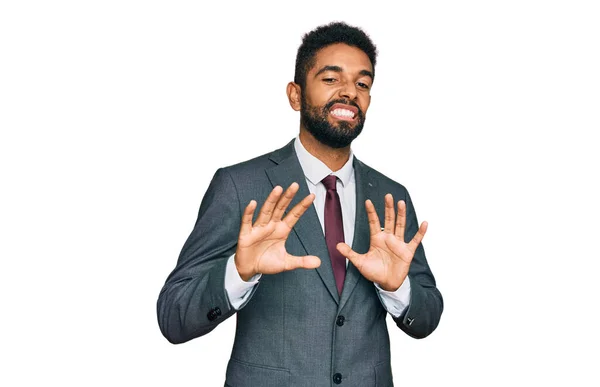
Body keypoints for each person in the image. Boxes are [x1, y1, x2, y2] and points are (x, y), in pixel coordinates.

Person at [157, 21, 443, 387]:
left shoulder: (391, 197)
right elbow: (173, 316)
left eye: (362, 83)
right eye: (330, 79)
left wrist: (396, 289)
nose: (349, 93)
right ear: (295, 95)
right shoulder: (240, 185)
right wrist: (237, 273)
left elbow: (427, 317)